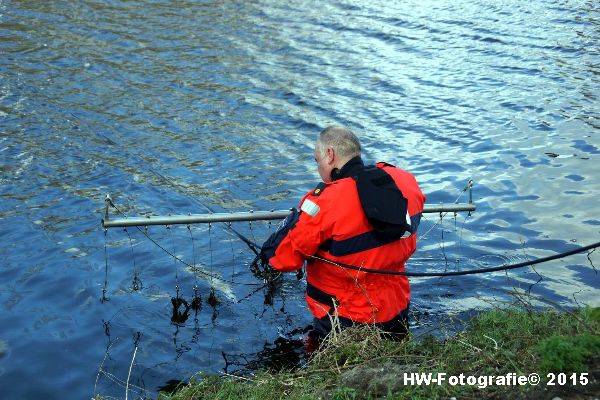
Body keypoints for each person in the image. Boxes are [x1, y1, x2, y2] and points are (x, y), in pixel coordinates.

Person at [259, 126, 425, 341]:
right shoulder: (405, 182)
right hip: (397, 305)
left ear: (330, 155)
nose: (318, 168)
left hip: (345, 316)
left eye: (317, 160)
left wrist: (285, 231)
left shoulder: (324, 202)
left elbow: (284, 260)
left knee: (334, 367)